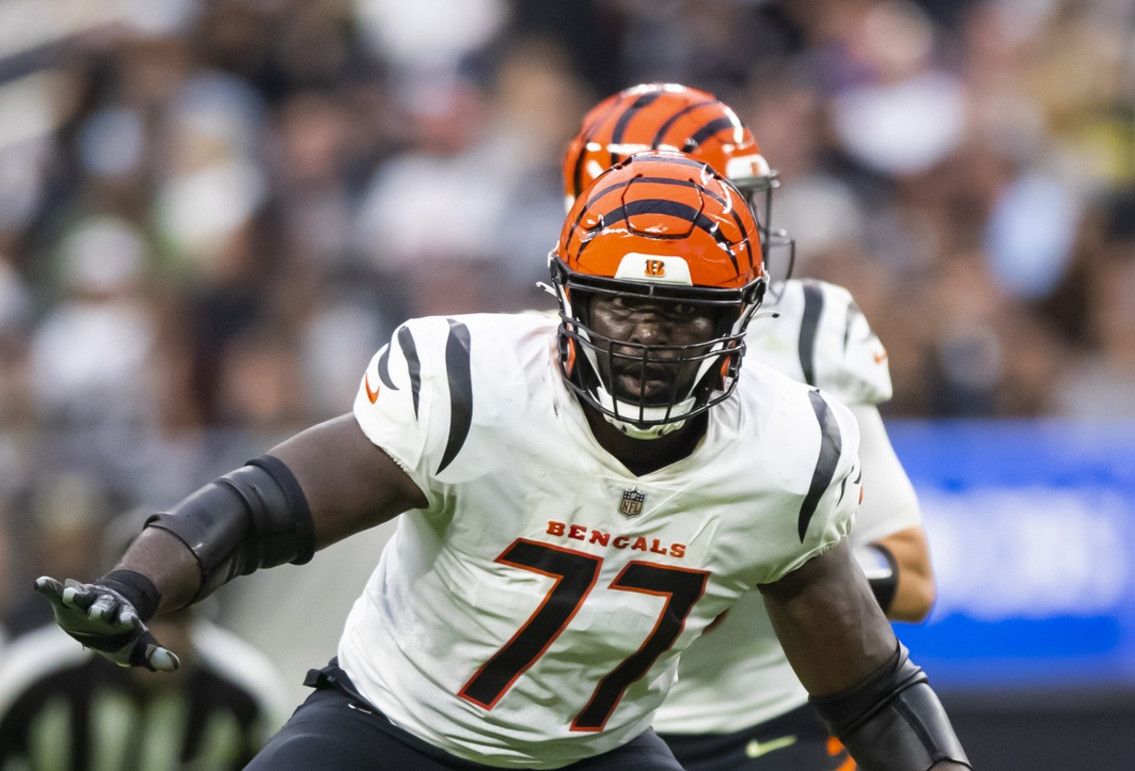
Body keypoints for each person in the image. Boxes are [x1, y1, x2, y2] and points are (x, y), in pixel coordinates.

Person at [33, 151, 969, 771]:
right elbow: (275, 502)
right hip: (396, 725)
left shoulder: (785, 453)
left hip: (595, 751)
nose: (648, 338)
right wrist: (142, 579)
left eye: (683, 315)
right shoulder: (476, 385)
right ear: (568, 304)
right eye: (621, 307)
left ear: (736, 324)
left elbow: (870, 685)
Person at [562, 83, 936, 770]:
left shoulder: (808, 334)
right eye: (717, 202)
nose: (747, 230)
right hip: (583, 730)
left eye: (744, 200)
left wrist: (771, 567)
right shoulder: (528, 366)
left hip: (769, 715)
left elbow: (912, 576)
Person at [1, 509, 291, 770]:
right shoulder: (33, 678)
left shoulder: (246, 693)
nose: (155, 637)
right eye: (140, 618)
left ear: (200, 611)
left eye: (175, 617)